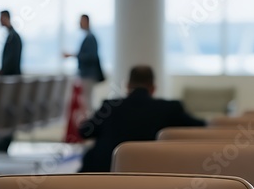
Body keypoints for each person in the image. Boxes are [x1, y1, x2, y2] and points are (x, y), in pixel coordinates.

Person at [78, 64, 206, 172]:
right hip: (149, 175)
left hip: (102, 174)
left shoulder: (109, 107)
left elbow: (85, 131)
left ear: (127, 86)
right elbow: (200, 127)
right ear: (153, 88)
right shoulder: (170, 109)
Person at [0, 9, 23, 153]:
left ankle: (4, 143)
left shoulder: (13, 37)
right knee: (7, 113)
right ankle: (2, 142)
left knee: (7, 113)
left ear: (6, 18)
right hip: (11, 80)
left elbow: (10, 63)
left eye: (1, 18)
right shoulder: (13, 36)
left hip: (10, 82)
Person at [63, 14, 103, 113]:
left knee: (86, 101)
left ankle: (91, 121)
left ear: (87, 22)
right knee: (86, 100)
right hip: (86, 74)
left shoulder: (90, 38)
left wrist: (73, 55)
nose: (79, 23)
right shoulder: (88, 37)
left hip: (88, 74)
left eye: (81, 21)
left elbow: (91, 56)